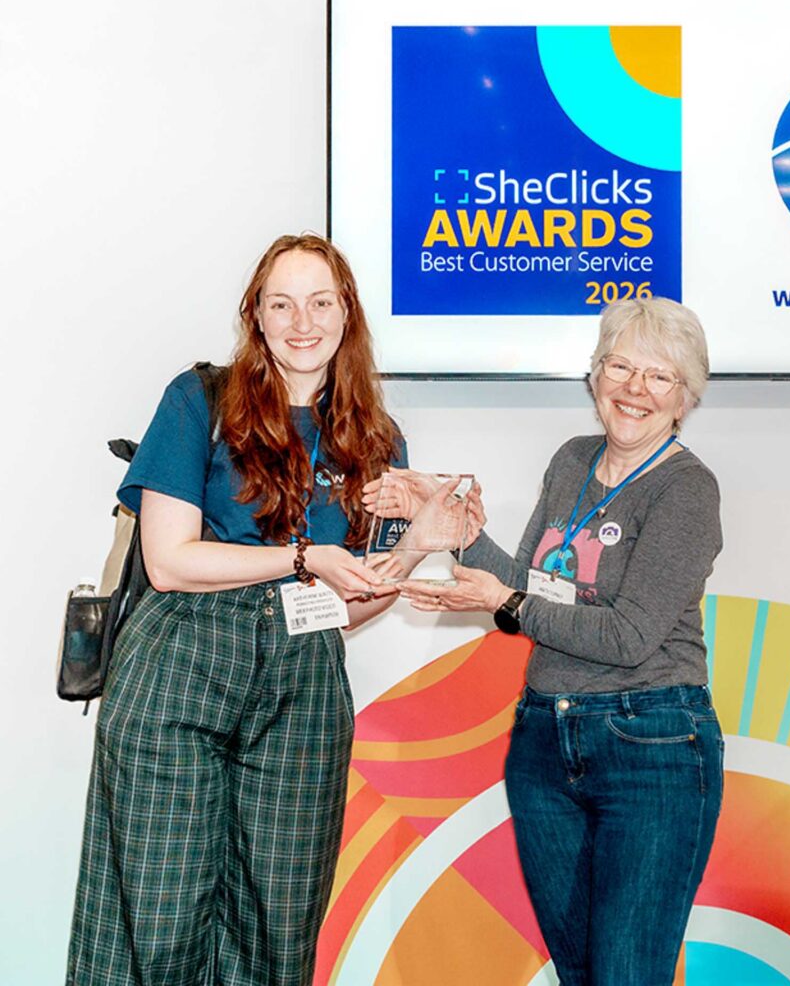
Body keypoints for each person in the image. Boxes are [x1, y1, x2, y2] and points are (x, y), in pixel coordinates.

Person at [66, 233, 410, 986]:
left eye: (320, 303)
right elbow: (169, 560)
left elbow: (346, 609)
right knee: (156, 924)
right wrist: (300, 558)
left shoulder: (376, 442)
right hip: (180, 666)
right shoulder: (200, 400)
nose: (302, 322)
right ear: (254, 315)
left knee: (278, 928)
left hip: (304, 683)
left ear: (347, 313)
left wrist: (420, 546)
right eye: (280, 304)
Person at [392, 297, 724, 986]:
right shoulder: (572, 461)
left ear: (684, 397)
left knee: (626, 976)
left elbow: (629, 634)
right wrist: (458, 532)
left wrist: (504, 597)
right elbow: (528, 597)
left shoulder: (687, 490)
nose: (634, 389)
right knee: (583, 977)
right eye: (620, 367)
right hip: (545, 743)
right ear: (594, 376)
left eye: (658, 376)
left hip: (652, 747)